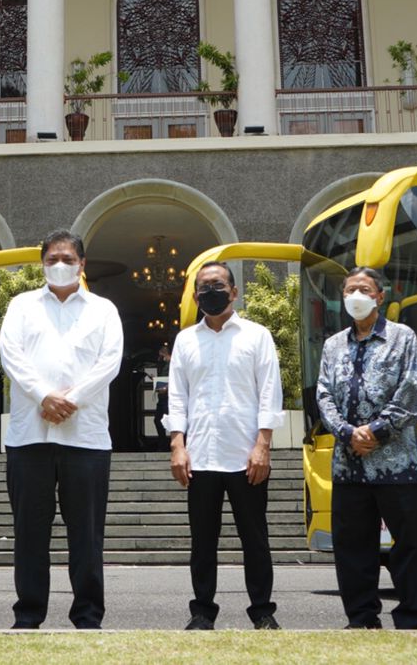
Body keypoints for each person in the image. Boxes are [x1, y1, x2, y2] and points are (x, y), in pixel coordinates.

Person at [0, 230, 123, 629]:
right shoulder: (21, 306)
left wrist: (72, 399)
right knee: (29, 533)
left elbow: (110, 363)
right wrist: (43, 396)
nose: (59, 264)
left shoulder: (103, 310)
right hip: (29, 436)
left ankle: (87, 615)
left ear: (82, 264)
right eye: (52, 258)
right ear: (42, 263)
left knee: (86, 535)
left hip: (84, 437)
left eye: (67, 258)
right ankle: (28, 615)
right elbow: (11, 356)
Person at [165, 262, 284, 631]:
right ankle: (202, 611)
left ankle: (262, 612)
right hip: (200, 457)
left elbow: (269, 393)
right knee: (202, 542)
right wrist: (177, 446)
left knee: (255, 539)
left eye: (217, 285)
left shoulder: (257, 335)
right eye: (203, 288)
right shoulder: (186, 340)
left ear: (234, 292)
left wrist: (263, 445)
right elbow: (177, 399)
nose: (209, 292)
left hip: (246, 455)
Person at [316, 267, 417, 631]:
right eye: (350, 290)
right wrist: (347, 433)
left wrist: (377, 431)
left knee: (409, 544)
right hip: (348, 465)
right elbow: (323, 395)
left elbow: (411, 390)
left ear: (380, 296)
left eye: (364, 289)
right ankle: (361, 618)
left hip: (397, 463)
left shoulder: (402, 337)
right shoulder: (333, 345)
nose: (357, 296)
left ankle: (411, 618)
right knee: (352, 547)